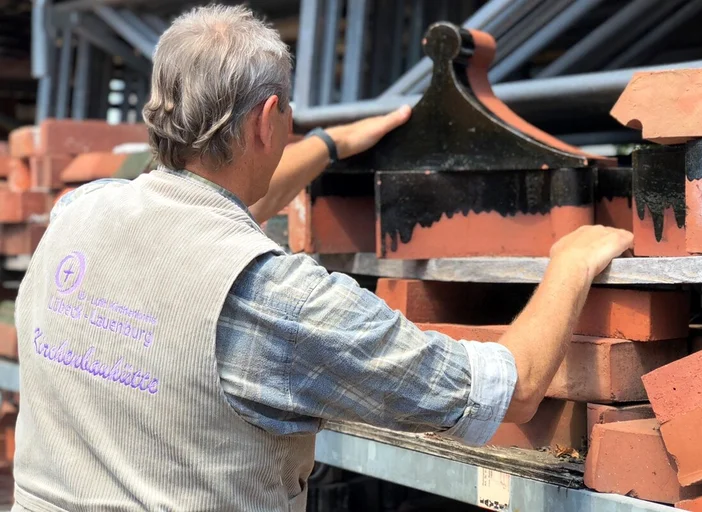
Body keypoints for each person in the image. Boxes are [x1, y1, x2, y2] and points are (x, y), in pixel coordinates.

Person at [13, 5, 633, 511]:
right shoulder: (278, 299)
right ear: (267, 121)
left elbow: (208, 215)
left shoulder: (80, 213)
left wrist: (330, 145)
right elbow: (508, 391)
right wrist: (571, 263)